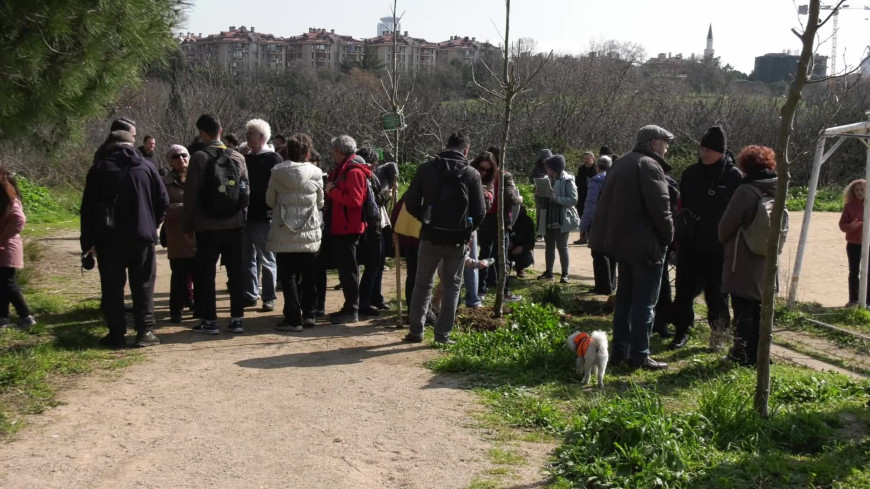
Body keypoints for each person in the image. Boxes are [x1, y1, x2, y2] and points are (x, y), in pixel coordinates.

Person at [590, 125, 675, 371]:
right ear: (652, 143)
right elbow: (661, 207)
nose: (667, 146)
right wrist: (668, 237)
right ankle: (640, 355)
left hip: (623, 245)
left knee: (625, 302)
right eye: (664, 141)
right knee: (645, 304)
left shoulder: (622, 163)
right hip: (645, 247)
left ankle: (619, 353)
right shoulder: (649, 165)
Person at [81, 129, 168, 348]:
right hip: (142, 237)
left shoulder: (99, 169)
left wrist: (88, 242)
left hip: (109, 239)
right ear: (132, 144)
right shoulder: (146, 167)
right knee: (144, 285)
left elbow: (88, 209)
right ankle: (145, 332)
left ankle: (117, 334)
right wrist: (152, 223)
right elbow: (162, 200)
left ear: (110, 145)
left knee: (112, 287)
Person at [402, 132, 487, 344]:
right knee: (452, 287)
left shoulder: (426, 168)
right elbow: (480, 211)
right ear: (466, 150)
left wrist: (425, 219)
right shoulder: (472, 174)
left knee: (422, 284)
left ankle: (416, 331)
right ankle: (442, 335)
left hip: (430, 236)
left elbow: (410, 201)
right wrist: (468, 231)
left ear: (446, 146)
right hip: (457, 240)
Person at [669, 126, 742, 350]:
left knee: (717, 296)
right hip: (690, 245)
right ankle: (681, 332)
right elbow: (680, 207)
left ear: (721, 151)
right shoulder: (690, 173)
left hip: (719, 248)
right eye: (702, 148)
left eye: (709, 149)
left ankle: (719, 336)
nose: (704, 153)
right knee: (683, 293)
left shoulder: (733, 176)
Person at [182, 113, 249, 335]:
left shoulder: (199, 158)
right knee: (236, 273)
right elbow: (245, 191)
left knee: (206, 274)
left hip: (207, 226)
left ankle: (210, 321)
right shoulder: (238, 157)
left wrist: (188, 227)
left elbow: (190, 195)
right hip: (234, 225)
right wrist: (240, 214)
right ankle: (237, 319)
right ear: (221, 130)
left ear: (203, 133)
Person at [719, 145, 781, 367]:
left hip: (743, 258)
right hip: (767, 258)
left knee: (743, 308)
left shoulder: (745, 191)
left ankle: (741, 354)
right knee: (761, 309)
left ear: (745, 165)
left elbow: (725, 227)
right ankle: (761, 354)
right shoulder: (777, 188)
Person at [265, 133, 324, 331]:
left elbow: (270, 201)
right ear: (308, 153)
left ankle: (292, 318)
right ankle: (310, 314)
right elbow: (321, 202)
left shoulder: (277, 172)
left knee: (288, 276)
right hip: (309, 231)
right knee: (309, 275)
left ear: (287, 151)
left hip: (284, 231)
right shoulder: (316, 172)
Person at [325, 135, 372, 324]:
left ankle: (352, 309)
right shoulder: (346, 169)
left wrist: (332, 191)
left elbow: (355, 201)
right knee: (346, 270)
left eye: (334, 152)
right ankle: (349, 307)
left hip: (348, 228)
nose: (333, 156)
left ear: (340, 151)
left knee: (349, 270)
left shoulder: (353, 172)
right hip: (343, 226)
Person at [241, 119, 282, 312]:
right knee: (247, 258)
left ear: (262, 137)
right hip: (245, 216)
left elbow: (280, 187)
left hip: (264, 217)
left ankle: (268, 297)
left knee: (267, 258)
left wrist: (276, 208)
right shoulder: (246, 159)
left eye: (251, 133)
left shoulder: (273, 159)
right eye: (247, 132)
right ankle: (250, 294)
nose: (247, 136)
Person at [473, 151, 521, 302]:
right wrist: (519, 198)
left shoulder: (478, 172)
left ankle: (481, 289)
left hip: (484, 219)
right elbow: (510, 197)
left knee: (484, 254)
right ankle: (504, 291)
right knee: (502, 258)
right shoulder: (504, 175)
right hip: (499, 219)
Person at [161, 144, 197, 323]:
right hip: (178, 236)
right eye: (176, 156)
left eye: (184, 155)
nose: (181, 159)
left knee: (200, 274)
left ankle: (199, 307)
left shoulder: (197, 178)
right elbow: (162, 209)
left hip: (198, 234)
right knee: (179, 276)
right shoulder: (164, 183)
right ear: (170, 161)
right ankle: (176, 311)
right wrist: (186, 207)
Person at [358, 149, 396, 317]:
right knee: (373, 265)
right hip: (371, 226)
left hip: (377, 224)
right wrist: (386, 194)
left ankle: (376, 297)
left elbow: (392, 165)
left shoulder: (367, 175)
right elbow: (374, 201)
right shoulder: (366, 177)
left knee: (379, 264)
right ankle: (364, 302)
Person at [535, 154, 579, 283]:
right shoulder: (545, 179)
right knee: (549, 246)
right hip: (547, 217)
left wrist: (556, 198)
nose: (546, 170)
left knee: (562, 246)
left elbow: (573, 200)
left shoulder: (568, 180)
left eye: (548, 168)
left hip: (562, 218)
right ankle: (549, 272)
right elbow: (539, 200)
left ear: (555, 168)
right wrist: (538, 195)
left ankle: (565, 273)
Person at [0, 168, 36, 331]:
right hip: (4, 248)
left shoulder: (11, 202)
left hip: (7, 249)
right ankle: (3, 317)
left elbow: (19, 220)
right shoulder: (4, 202)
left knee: (8, 283)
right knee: (2, 284)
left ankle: (25, 316)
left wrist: (1, 239)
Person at [580, 155, 616, 294]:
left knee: (598, 252)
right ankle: (612, 285)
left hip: (599, 221)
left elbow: (590, 205)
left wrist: (584, 226)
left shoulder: (596, 181)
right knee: (612, 253)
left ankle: (602, 286)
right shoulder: (616, 179)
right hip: (614, 220)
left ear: (597, 167)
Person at [840, 179, 868, 307]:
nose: (859, 192)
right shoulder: (849, 206)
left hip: (868, 244)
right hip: (853, 243)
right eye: (857, 190)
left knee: (868, 272)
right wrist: (851, 226)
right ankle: (853, 300)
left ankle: (867, 301)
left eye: (862, 190)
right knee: (854, 271)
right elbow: (842, 225)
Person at [573, 151, 597, 245]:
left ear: (593, 158)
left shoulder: (596, 169)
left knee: (593, 219)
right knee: (582, 218)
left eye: (588, 158)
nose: (586, 160)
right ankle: (582, 238)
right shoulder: (581, 169)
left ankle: (592, 238)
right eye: (585, 158)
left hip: (593, 197)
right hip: (582, 197)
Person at [508, 205, 535, 278]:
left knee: (526, 259)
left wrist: (522, 248)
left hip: (521, 249)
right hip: (506, 247)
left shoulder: (527, 221)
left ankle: (520, 268)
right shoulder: (506, 219)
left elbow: (531, 242)